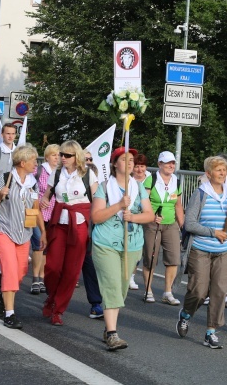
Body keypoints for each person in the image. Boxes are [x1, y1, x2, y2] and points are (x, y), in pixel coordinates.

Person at [177, 156, 227, 349]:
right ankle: (186, 314)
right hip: (201, 249)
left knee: (219, 292)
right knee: (198, 291)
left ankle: (211, 331)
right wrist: (213, 232)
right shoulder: (201, 194)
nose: (223, 174)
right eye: (218, 170)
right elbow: (189, 224)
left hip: (224, 251)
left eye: (225, 170)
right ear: (208, 174)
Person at [91, 147, 154, 350]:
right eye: (124, 159)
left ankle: (109, 327)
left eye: (132, 160)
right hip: (106, 243)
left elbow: (149, 215)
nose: (130, 163)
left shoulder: (139, 187)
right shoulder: (103, 187)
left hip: (132, 244)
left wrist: (133, 217)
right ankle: (112, 333)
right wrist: (118, 205)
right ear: (114, 163)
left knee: (121, 287)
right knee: (111, 285)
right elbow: (96, 217)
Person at [0, 144, 46, 329]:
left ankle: (4, 301)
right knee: (11, 271)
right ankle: (10, 314)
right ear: (22, 162)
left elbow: (35, 210)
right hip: (4, 229)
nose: (36, 164)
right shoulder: (5, 178)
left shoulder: (32, 182)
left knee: (20, 272)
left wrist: (43, 232)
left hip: (24, 234)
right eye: (33, 160)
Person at [40, 140, 97, 326]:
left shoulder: (88, 175)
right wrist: (44, 201)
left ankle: (58, 309)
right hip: (59, 223)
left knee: (72, 272)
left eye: (67, 155)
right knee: (53, 267)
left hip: (79, 225)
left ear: (76, 157)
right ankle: (52, 295)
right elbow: (46, 195)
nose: (62, 158)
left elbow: (97, 200)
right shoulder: (56, 173)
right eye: (61, 154)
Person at [142, 151, 184, 305]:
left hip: (170, 223)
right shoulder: (151, 180)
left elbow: (178, 205)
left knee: (174, 259)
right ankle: (148, 290)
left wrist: (182, 225)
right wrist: (151, 216)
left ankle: (168, 292)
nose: (171, 165)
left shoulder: (176, 182)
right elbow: (142, 201)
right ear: (160, 164)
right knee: (150, 258)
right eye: (167, 163)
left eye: (173, 163)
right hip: (152, 223)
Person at [30, 143, 59, 295]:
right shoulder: (40, 170)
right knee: (38, 243)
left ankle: (42, 277)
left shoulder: (60, 173)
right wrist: (40, 199)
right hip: (37, 212)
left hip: (53, 214)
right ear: (47, 157)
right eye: (54, 155)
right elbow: (29, 186)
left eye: (59, 155)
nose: (57, 158)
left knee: (46, 247)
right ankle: (35, 278)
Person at [82, 149, 104, 319]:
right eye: (85, 159)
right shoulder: (64, 176)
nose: (88, 161)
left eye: (90, 158)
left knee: (90, 265)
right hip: (70, 227)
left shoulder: (96, 176)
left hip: (91, 229)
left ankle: (96, 303)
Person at [129, 153, 151, 290]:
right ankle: (130, 275)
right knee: (132, 245)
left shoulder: (150, 180)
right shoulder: (128, 180)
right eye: (136, 166)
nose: (139, 170)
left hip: (146, 218)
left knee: (142, 248)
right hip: (132, 218)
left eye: (142, 166)